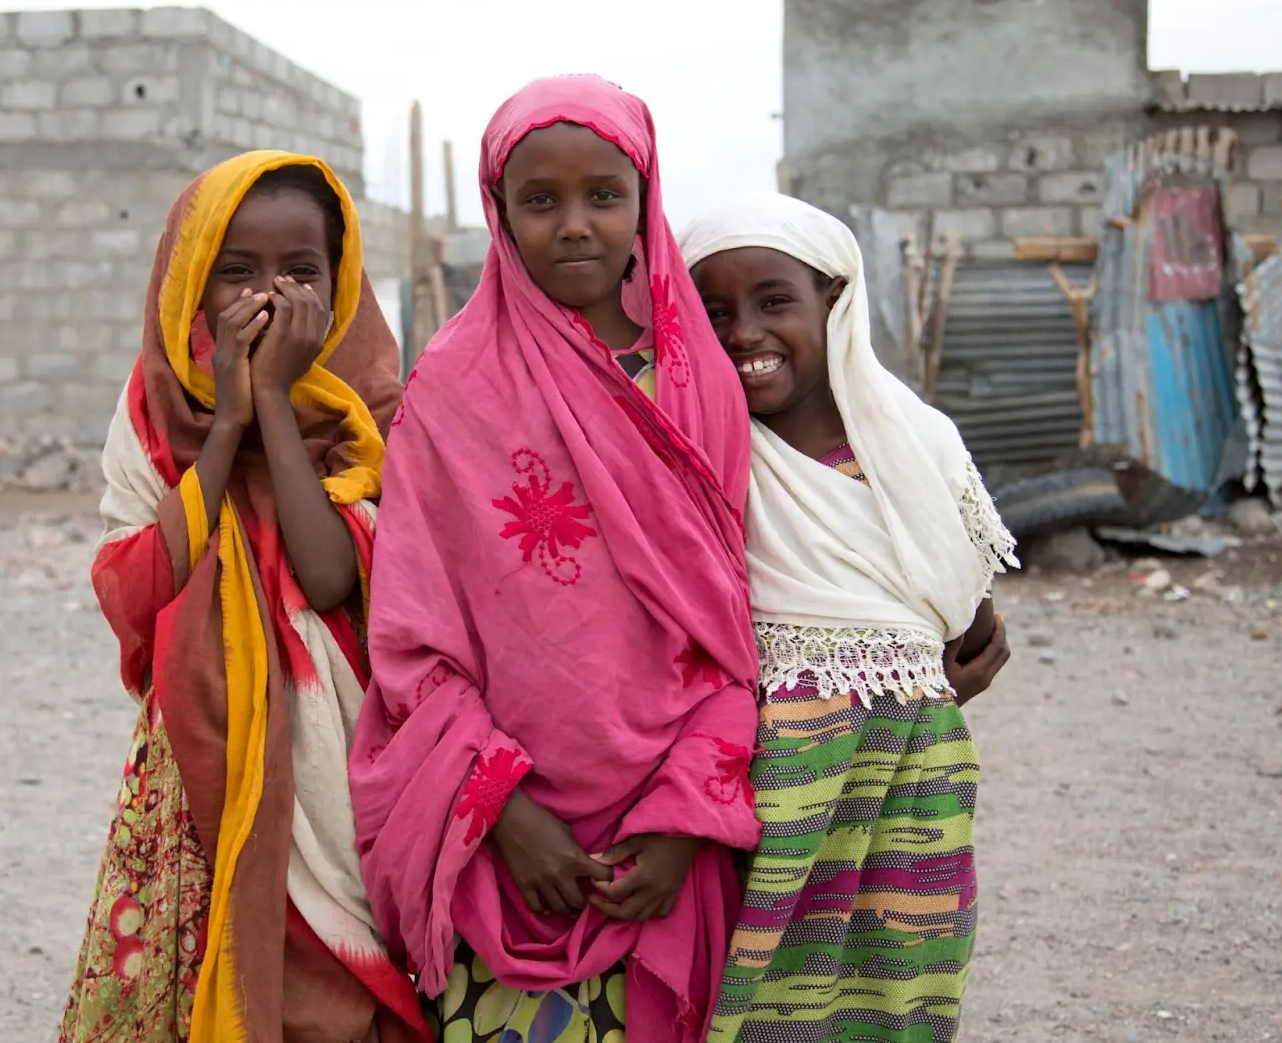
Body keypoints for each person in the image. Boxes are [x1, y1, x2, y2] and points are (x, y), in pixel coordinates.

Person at [348, 76, 761, 1043]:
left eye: (603, 196)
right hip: (511, 837)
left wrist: (681, 815)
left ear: (644, 202)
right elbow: (412, 639)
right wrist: (503, 806)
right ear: (498, 214)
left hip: (670, 821)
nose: (575, 226)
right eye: (541, 201)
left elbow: (738, 629)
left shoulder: (699, 387)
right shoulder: (451, 390)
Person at [58, 151, 426, 1043]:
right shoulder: (154, 409)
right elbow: (139, 585)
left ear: (337, 282)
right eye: (238, 272)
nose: (271, 295)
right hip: (205, 745)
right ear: (192, 280)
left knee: (345, 960)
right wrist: (225, 423)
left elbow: (336, 574)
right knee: (222, 956)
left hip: (339, 739)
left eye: (301, 272)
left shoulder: (364, 402)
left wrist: (270, 400)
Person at [676, 193, 1019, 1043]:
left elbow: (967, 620)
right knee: (764, 995)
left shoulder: (918, 442)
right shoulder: (701, 453)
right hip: (766, 781)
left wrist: (910, 682)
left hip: (913, 768)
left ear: (835, 301)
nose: (744, 332)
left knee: (902, 979)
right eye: (713, 312)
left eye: (774, 301)